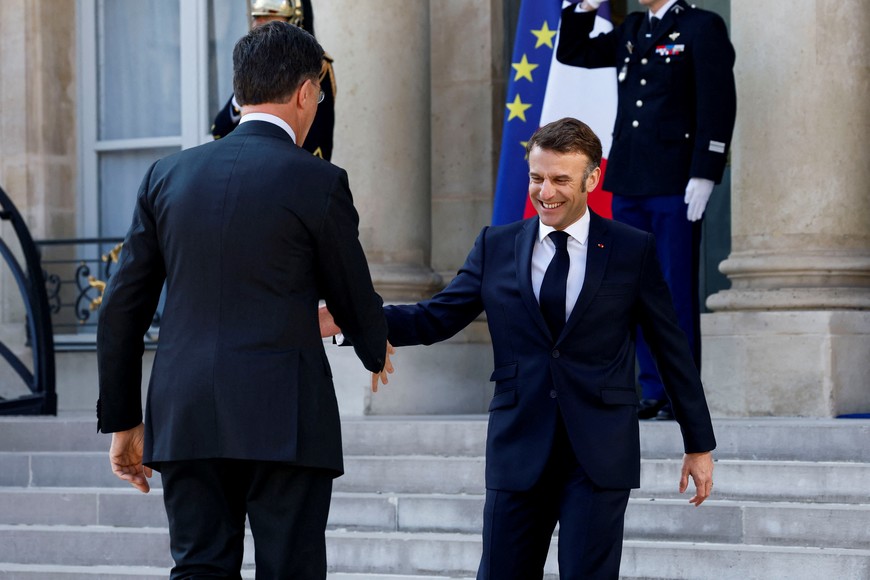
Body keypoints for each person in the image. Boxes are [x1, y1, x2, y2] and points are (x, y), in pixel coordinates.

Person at [321, 118, 716, 579]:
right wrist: (353, 319)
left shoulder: (632, 250)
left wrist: (698, 444)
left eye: (560, 179)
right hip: (519, 444)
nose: (545, 192)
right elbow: (438, 316)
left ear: (593, 178)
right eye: (536, 177)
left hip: (599, 452)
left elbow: (672, 350)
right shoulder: (496, 245)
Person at [97, 21, 389, 579]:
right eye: (319, 95)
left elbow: (121, 310)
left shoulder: (166, 175)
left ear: (238, 93)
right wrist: (373, 347)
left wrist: (123, 419)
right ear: (306, 93)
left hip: (185, 415)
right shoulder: (318, 180)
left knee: (199, 568)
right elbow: (353, 292)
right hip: (286, 416)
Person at [556, 0, 737, 420]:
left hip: (675, 181)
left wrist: (706, 170)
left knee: (673, 291)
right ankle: (652, 389)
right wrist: (584, 5)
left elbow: (717, 100)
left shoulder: (700, 26)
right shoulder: (635, 27)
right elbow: (574, 52)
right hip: (630, 180)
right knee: (635, 291)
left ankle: (680, 393)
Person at [211, 0, 337, 161]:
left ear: (293, 21)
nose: (258, 24)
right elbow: (221, 129)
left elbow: (318, 139)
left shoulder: (317, 67)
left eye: (269, 17)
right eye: (257, 18)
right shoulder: (254, 61)